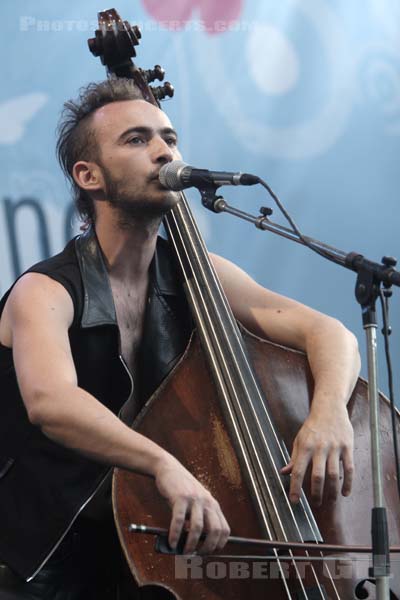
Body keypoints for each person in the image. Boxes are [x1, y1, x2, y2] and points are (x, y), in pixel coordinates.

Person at [0, 78, 360, 599]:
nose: (164, 151)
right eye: (137, 139)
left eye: (169, 137)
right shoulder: (45, 290)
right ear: (89, 175)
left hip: (154, 549)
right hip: (46, 561)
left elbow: (330, 332)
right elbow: (51, 402)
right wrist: (164, 464)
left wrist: (329, 413)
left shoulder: (197, 275)